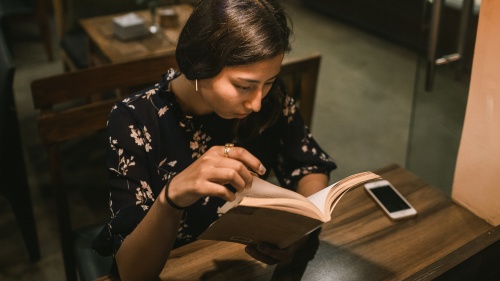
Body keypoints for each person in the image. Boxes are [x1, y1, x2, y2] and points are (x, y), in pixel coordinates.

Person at [93, 0, 337, 280]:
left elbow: (307, 165)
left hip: (241, 262)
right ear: (199, 66)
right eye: (243, 86)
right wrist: (171, 199)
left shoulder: (268, 99)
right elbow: (134, 272)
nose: (257, 103)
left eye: (269, 82)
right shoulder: (134, 120)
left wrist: (298, 230)